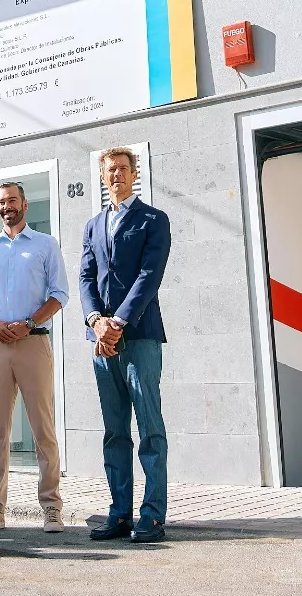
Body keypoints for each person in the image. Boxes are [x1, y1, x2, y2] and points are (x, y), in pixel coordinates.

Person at [79, 147, 172, 544]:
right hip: (103, 344)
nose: (116, 175)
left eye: (123, 169)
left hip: (139, 337)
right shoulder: (93, 225)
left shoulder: (154, 219)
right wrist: (96, 321)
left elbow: (150, 275)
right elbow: (85, 277)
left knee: (150, 430)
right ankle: (119, 514)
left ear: (135, 174)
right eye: (110, 170)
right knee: (115, 433)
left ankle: (151, 515)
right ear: (102, 178)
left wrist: (117, 321)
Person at [0, 182, 69, 534]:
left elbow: (59, 295)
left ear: (24, 203)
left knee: (43, 428)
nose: (6, 206)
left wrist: (28, 324)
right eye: (1, 202)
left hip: (34, 344)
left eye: (12, 200)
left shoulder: (45, 245)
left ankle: (52, 508)